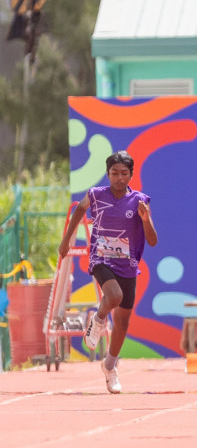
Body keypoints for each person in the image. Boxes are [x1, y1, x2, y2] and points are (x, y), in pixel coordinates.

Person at [58, 151, 157, 394]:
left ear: (131, 175)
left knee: (123, 322)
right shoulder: (96, 195)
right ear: (108, 174)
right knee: (113, 297)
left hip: (128, 265)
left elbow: (152, 241)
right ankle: (99, 319)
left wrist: (145, 220)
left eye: (124, 174)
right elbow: (79, 210)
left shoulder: (139, 201)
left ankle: (109, 367)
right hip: (101, 258)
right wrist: (67, 240)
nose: (120, 178)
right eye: (115, 173)